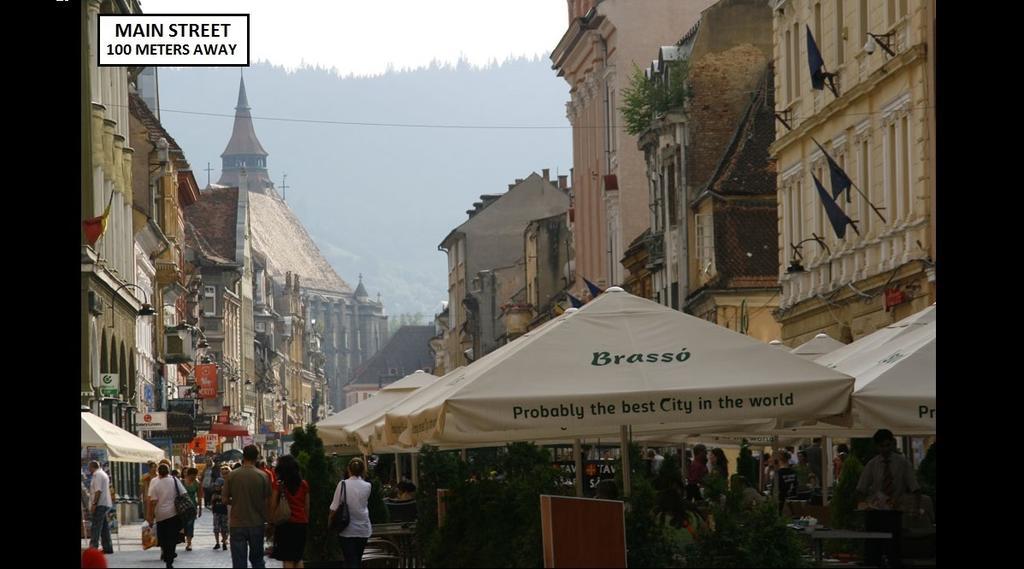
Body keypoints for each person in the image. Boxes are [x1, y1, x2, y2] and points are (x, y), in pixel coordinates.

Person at [857, 429, 922, 568]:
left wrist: (915, 508)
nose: (885, 449)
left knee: (894, 551)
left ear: (892, 444)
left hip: (894, 512)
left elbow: (915, 487)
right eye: (881, 446)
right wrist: (864, 505)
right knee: (873, 553)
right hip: (875, 514)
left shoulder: (902, 463)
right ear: (876, 447)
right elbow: (861, 489)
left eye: (887, 445)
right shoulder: (872, 464)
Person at [223, 445, 272, 568]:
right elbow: (267, 501)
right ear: (256, 457)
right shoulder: (263, 476)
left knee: (239, 561)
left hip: (237, 522)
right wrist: (269, 521)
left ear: (243, 456)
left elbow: (224, 499)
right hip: (256, 522)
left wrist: (236, 502)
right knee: (257, 560)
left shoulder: (232, 475)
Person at [330, 458, 372, 569]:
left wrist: (329, 521)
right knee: (357, 559)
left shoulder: (342, 484)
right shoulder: (368, 486)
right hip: (363, 527)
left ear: (348, 469)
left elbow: (334, 507)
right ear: (363, 470)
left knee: (350, 560)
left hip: (346, 527)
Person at [270, 455, 310, 568]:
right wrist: (305, 521)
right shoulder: (304, 484)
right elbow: (307, 507)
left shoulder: (278, 485)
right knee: (298, 558)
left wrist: (271, 521)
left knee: (287, 559)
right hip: (301, 524)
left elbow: (273, 505)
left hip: (285, 525)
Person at [147, 463, 187, 568]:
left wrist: (150, 516)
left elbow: (152, 502)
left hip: (160, 515)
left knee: (163, 538)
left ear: (158, 472)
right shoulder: (174, 480)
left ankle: (166, 554)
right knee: (172, 538)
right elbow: (183, 493)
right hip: (174, 513)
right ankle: (170, 560)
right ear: (168, 471)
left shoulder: (155, 483)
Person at [87, 461, 114, 554]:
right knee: (104, 527)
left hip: (100, 504)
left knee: (96, 526)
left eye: (89, 467)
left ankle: (93, 547)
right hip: (105, 503)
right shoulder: (103, 474)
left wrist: (94, 504)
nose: (88, 469)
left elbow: (98, 491)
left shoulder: (97, 475)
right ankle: (108, 547)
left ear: (92, 467)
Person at [182, 467, 203, 552]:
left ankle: (189, 543)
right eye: (192, 476)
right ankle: (183, 538)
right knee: (183, 524)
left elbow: (199, 496)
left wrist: (200, 509)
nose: (194, 477)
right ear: (188, 475)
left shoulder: (197, 483)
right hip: (182, 507)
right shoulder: (182, 482)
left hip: (192, 507)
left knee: (190, 525)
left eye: (195, 475)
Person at [211, 465, 231, 551]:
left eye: (226, 473)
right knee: (216, 527)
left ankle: (224, 540)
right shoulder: (216, 490)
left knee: (225, 527)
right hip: (217, 510)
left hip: (225, 510)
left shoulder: (230, 483)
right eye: (223, 473)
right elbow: (212, 500)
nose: (224, 475)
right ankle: (218, 542)